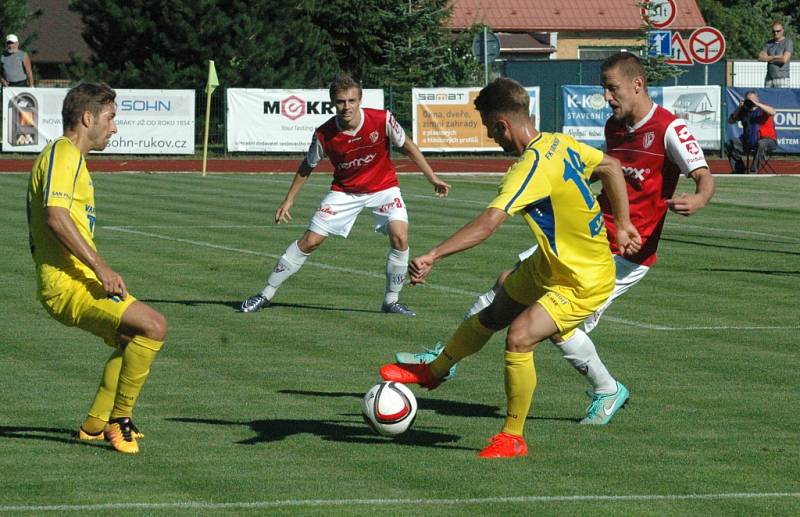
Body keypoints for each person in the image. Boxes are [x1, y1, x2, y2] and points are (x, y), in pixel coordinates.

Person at [396, 52, 715, 427]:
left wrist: (698, 197)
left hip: (625, 253)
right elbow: (606, 169)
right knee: (508, 284)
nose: (607, 97)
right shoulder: (615, 127)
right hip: (584, 234)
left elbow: (704, 175)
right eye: (604, 89)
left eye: (612, 89)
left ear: (637, 84)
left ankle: (606, 388)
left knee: (552, 324)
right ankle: (447, 356)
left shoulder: (668, 128)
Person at [380, 77, 641, 458]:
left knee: (519, 336)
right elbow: (612, 167)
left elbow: (487, 224)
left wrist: (433, 254)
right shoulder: (559, 142)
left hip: (584, 279)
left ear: (503, 124)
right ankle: (434, 371)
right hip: (552, 265)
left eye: (489, 129)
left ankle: (513, 436)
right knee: (495, 311)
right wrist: (625, 224)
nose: (492, 137)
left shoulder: (529, 168)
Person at [27, 83, 167, 454]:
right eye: (111, 118)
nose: (114, 128)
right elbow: (55, 217)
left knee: (131, 340)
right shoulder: (64, 153)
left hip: (75, 279)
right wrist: (101, 267)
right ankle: (118, 420)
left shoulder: (71, 158)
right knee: (154, 326)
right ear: (88, 118)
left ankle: (93, 424)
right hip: (66, 283)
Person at [241, 75, 450, 316]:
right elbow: (307, 166)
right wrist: (288, 200)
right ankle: (265, 294)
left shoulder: (382, 120)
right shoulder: (324, 134)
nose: (347, 106)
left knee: (400, 237)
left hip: (384, 188)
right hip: (345, 193)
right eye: (341, 101)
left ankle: (391, 301)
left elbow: (408, 146)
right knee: (310, 241)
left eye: (352, 100)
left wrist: (432, 177)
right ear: (333, 102)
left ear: (360, 100)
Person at [726, 90, 777, 174]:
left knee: (762, 143)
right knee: (730, 143)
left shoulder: (763, 108)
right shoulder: (744, 111)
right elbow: (731, 121)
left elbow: (773, 112)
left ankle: (753, 171)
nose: (751, 102)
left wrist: (757, 104)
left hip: (768, 140)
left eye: (753, 99)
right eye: (749, 100)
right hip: (748, 141)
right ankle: (739, 170)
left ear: (757, 99)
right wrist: (739, 108)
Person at [758, 22, 793, 88]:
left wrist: (768, 58)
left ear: (782, 30)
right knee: (767, 98)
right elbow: (760, 58)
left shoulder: (787, 42)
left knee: (782, 98)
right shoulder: (769, 43)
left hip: (782, 78)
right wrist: (775, 57)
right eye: (773, 31)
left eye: (778, 31)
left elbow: (784, 60)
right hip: (769, 78)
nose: (775, 33)